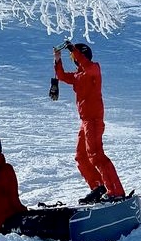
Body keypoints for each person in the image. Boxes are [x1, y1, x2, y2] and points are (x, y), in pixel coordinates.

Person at [53, 40, 125, 203]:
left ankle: (116, 191)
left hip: (94, 120)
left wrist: (73, 50)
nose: (74, 59)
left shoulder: (94, 69)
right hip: (85, 122)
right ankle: (99, 187)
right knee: (81, 157)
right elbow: (62, 76)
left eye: (74, 56)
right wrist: (57, 59)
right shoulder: (78, 75)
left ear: (81, 56)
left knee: (96, 155)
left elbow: (87, 66)